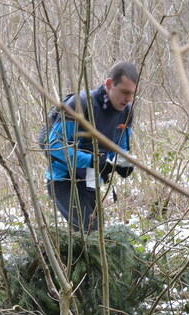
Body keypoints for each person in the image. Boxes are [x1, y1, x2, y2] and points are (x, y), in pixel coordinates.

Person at [45, 61, 138, 232]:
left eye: (132, 94)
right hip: (64, 179)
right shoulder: (80, 104)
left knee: (96, 234)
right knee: (88, 233)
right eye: (124, 92)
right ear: (109, 84)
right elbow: (54, 145)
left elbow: (121, 148)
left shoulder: (126, 112)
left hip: (91, 180)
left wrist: (124, 164)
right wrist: (93, 161)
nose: (128, 99)